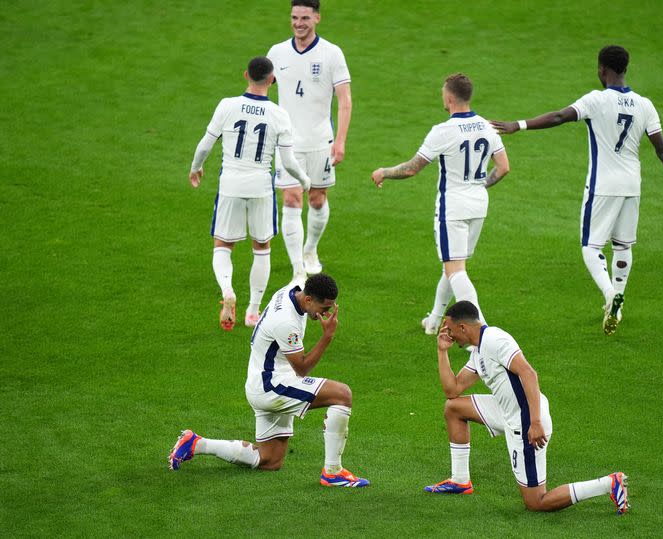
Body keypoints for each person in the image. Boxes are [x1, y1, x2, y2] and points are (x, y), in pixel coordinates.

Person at [491, 45, 663, 335]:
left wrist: (518, 125)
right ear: (625, 69)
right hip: (632, 185)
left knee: (591, 247)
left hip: (603, 184)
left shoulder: (597, 100)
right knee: (623, 246)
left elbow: (560, 117)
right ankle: (618, 307)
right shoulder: (644, 105)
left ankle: (611, 295)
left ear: (602, 69)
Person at [424, 300, 628, 514]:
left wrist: (535, 421)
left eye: (450, 328)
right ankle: (460, 480)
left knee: (536, 502)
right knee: (454, 408)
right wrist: (442, 351)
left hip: (526, 421)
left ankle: (609, 483)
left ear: (463, 327)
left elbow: (528, 373)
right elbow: (452, 389)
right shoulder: (478, 350)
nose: (448, 333)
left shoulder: (495, 340)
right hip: (506, 411)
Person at [168, 273, 369, 488]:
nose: (326, 313)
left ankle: (196, 444)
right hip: (271, 385)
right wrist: (327, 336)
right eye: (324, 308)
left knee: (269, 460)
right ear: (309, 300)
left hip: (261, 380)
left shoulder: (292, 291)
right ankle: (333, 472)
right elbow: (302, 368)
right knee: (342, 395)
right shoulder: (286, 321)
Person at [371, 73, 510, 335]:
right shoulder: (487, 126)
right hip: (479, 204)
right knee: (453, 265)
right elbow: (503, 168)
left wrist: (384, 172)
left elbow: (412, 169)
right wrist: (478, 186)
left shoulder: (443, 131)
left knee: (456, 270)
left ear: (448, 97)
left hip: (452, 207)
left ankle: (482, 330)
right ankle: (434, 321)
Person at [188, 57, 312, 330]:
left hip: (231, 183)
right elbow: (289, 162)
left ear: (246, 75)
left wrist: (196, 168)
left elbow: (205, 144)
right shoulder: (279, 114)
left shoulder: (227, 105)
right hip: (260, 186)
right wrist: (304, 179)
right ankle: (253, 311)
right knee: (262, 247)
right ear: (272, 80)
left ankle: (227, 292)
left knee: (223, 245)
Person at [267, 0, 352, 284]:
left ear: (317, 18)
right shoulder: (277, 52)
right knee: (291, 199)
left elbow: (345, 101)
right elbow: (262, 89)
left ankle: (311, 249)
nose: (298, 23)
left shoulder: (332, 54)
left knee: (317, 199)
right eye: (294, 17)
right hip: (287, 143)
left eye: (305, 17)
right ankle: (297, 270)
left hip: (320, 141)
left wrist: (340, 141)